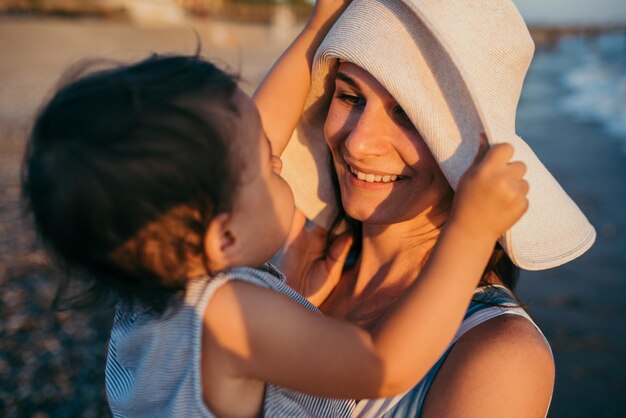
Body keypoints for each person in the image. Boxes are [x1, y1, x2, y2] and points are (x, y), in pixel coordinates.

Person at [21, 4, 529, 418]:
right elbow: (383, 366)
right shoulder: (234, 315)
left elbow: (248, 134)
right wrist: (472, 229)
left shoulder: (157, 302)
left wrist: (318, 26)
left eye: (408, 114)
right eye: (267, 167)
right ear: (223, 237)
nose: (281, 156)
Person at [262, 0, 596, 417]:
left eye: (408, 114)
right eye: (349, 96)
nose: (357, 143)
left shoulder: (496, 355)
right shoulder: (288, 273)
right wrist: (289, 302)